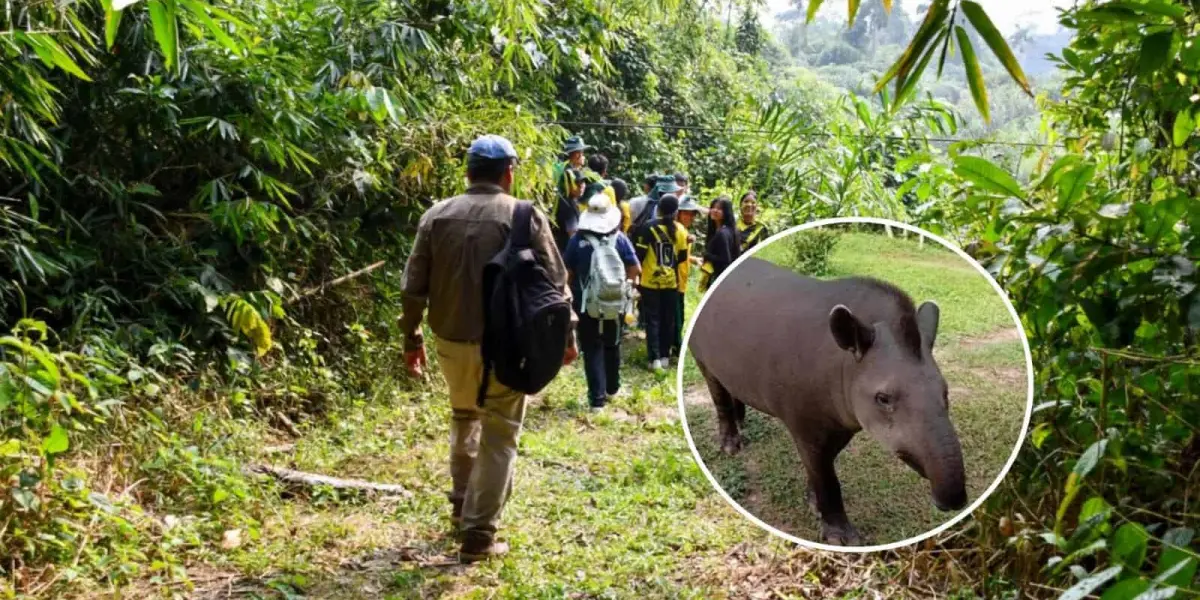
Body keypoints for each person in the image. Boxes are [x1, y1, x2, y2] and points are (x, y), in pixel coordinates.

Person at [399, 134, 578, 563]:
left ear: (467, 172)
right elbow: (556, 284)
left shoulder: (436, 215)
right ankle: (479, 533)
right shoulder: (523, 215)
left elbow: (412, 289)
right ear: (508, 173)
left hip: (449, 342)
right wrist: (567, 338)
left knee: (464, 417)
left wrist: (411, 338)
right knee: (499, 432)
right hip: (507, 345)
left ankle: (463, 504)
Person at [563, 195, 641, 409]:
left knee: (591, 348)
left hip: (584, 305)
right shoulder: (620, 239)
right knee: (612, 344)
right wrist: (627, 291)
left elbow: (566, 274)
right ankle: (612, 389)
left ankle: (597, 401)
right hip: (615, 305)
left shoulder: (576, 240)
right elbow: (636, 270)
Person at [632, 193, 688, 372]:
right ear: (676, 211)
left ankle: (654, 358)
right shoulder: (680, 230)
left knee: (653, 320)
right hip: (671, 282)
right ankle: (665, 356)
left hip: (650, 282)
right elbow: (681, 257)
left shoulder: (648, 227)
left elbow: (639, 255)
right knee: (668, 320)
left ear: (659, 209)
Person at [669, 195, 705, 360]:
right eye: (686, 214)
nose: (689, 217)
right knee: (676, 317)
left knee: (679, 315)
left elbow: (682, 255)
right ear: (678, 213)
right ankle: (677, 347)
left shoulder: (683, 231)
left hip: (681, 281)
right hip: (675, 281)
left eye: (692, 214)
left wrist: (694, 259)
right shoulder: (678, 230)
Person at [699, 195, 741, 292]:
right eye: (713, 207)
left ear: (726, 212)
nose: (715, 210)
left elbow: (725, 259)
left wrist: (707, 255)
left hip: (719, 279)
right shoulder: (730, 230)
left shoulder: (722, 233)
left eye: (719, 209)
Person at [553, 167, 587, 255]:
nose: (581, 186)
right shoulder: (567, 205)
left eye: (582, 182)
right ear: (567, 184)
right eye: (577, 183)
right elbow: (572, 234)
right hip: (566, 251)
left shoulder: (564, 200)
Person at [553, 136, 591, 201]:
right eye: (579, 152)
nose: (581, 155)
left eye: (581, 152)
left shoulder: (578, 168)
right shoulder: (568, 170)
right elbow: (577, 192)